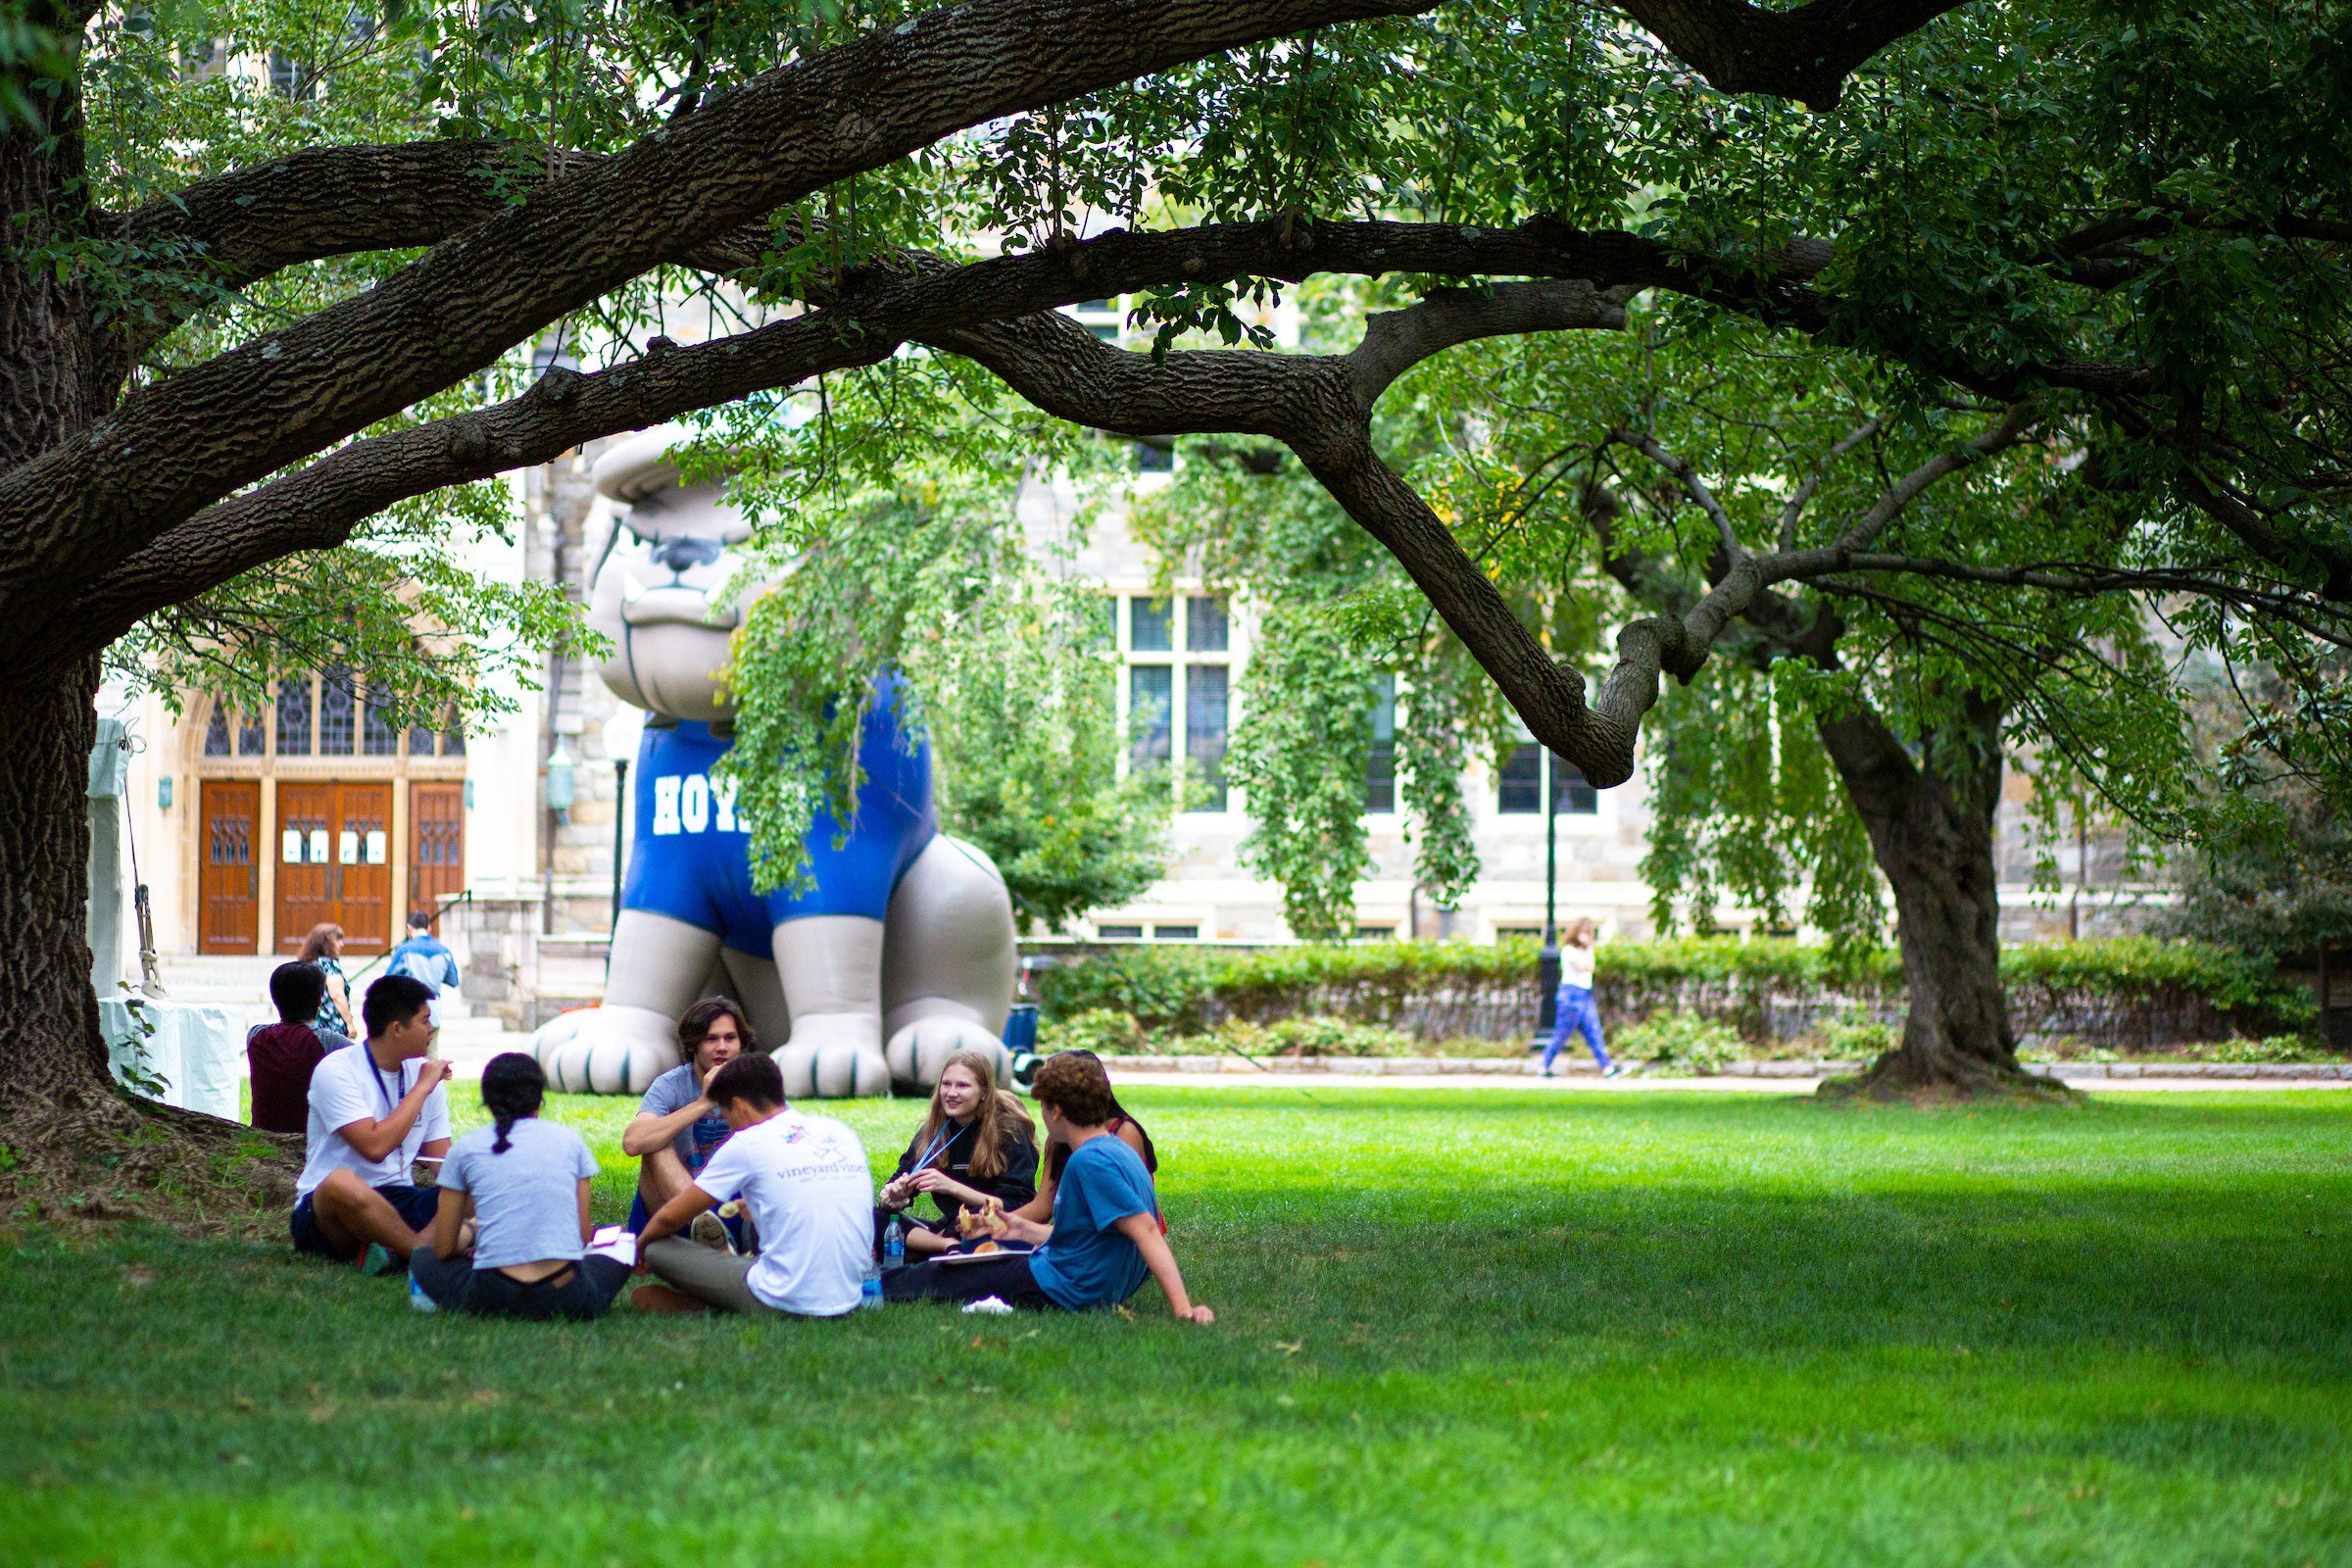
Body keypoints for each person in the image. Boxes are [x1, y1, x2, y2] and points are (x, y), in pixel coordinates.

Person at [885, 1053, 1213, 1322]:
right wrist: (1016, 1227)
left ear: (1056, 1111)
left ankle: (870, 1289)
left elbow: (1146, 1230)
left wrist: (1183, 1309)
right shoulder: (1117, 1149)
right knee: (972, 1265)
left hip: (1065, 1285)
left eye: (1042, 1106)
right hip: (1077, 1276)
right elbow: (1083, 1237)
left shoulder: (1089, 1161)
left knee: (947, 1276)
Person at [636, 1053, 871, 1317]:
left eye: (726, 1116)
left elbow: (670, 1217)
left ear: (739, 1106)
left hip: (781, 1299)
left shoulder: (748, 1142)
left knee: (658, 1248)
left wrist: (640, 1247)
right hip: (850, 1297)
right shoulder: (838, 1131)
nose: (730, 1126)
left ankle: (710, 1303)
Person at [409, 1054, 631, 1319]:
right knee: (622, 1243)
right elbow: (581, 1237)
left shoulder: (465, 1148)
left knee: (423, 1258)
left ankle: (437, 1301)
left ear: (487, 1100)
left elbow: (444, 1248)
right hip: (566, 1293)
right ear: (540, 1098)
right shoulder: (571, 1142)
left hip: (493, 1293)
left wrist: (475, 1227)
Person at [290, 973, 452, 1272]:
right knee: (340, 1183)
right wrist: (421, 1089)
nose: (432, 1028)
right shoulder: (336, 1070)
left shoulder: (424, 1074)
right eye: (425, 1020)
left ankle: (394, 1251)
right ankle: (422, 1256)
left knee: (475, 1186)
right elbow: (374, 1147)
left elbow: (445, 1164)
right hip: (333, 1208)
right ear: (397, 1029)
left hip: (400, 1199)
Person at [876, 1050, 1038, 1258]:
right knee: (870, 1218)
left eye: (962, 1086)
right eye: (946, 1084)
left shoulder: (1008, 1131)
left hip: (992, 1227)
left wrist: (951, 1187)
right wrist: (895, 1196)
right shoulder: (933, 1132)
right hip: (951, 1228)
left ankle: (929, 1250)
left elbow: (1018, 1205)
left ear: (984, 1092)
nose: (951, 1093)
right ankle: (944, 1246)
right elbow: (890, 1196)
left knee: (970, 1225)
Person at [621, 999, 750, 1244]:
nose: (722, 1047)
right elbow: (633, 1143)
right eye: (711, 1039)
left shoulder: (755, 1085)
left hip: (733, 1206)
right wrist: (705, 1102)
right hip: (671, 1208)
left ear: (741, 1043)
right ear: (693, 1044)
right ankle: (705, 1225)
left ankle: (718, 1233)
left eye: (730, 1038)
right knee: (655, 1141)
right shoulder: (671, 1085)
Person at [246, 961, 355, 1135]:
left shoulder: (255, 1036)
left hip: (262, 1137)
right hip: (309, 1141)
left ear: (275, 999)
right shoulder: (331, 1043)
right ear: (319, 1001)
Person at [1544, 917, 1619, 1078]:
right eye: (1584, 933)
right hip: (1570, 997)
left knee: (1594, 1032)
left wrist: (1589, 949)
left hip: (1585, 995)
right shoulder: (1569, 951)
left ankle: (1608, 1068)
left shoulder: (1584, 952)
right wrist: (1590, 948)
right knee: (1561, 1034)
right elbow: (1587, 967)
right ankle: (1543, 1067)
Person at [300, 922, 357, 1039]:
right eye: (338, 940)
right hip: (332, 1026)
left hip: (313, 1024)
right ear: (326, 943)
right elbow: (337, 995)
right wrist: (349, 1023)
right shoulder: (329, 964)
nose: (341, 944)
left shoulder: (310, 964)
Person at [387, 909, 463, 993]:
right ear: (428, 928)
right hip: (434, 999)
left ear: (409, 927)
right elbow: (453, 981)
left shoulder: (403, 950)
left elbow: (388, 980)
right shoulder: (445, 951)